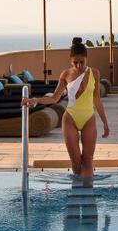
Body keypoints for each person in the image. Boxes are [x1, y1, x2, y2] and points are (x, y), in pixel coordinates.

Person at [22, 37, 109, 186]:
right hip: (70, 119)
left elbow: (97, 100)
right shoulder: (66, 75)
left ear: (86, 59)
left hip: (89, 118)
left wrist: (105, 123)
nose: (79, 65)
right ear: (70, 60)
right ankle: (77, 193)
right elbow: (55, 98)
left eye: (82, 62)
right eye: (75, 62)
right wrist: (35, 100)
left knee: (87, 160)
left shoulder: (94, 73)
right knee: (76, 162)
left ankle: (89, 195)